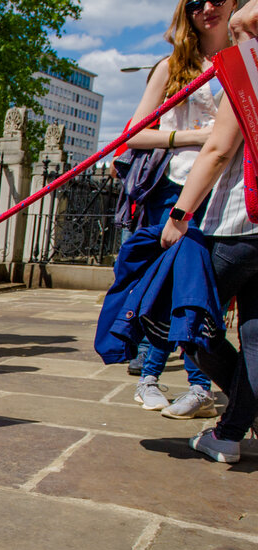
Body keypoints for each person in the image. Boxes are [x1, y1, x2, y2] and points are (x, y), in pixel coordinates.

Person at [122, 0, 231, 418]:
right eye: (197, 2)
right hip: (175, 191)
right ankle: (150, 377)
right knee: (168, 288)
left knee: (202, 295)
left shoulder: (244, 60)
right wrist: (194, 137)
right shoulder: (172, 67)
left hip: (225, 194)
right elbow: (135, 135)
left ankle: (200, 385)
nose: (208, 7)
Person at [160, 72, 257, 461]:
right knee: (254, 337)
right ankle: (232, 431)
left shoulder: (249, 70)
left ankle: (241, 418)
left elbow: (218, 149)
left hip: (238, 225)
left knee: (184, 319)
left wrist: (179, 214)